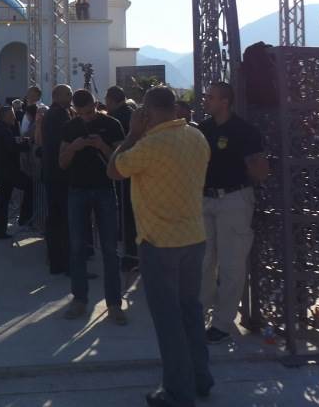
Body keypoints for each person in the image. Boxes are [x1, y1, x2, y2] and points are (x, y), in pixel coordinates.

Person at [108, 87, 213, 407]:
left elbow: (113, 169)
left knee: (168, 320)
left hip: (159, 243)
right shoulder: (197, 137)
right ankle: (201, 378)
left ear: (149, 112)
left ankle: (177, 391)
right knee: (191, 312)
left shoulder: (150, 144)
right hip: (194, 237)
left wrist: (131, 134)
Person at [198, 81, 268, 344]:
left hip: (234, 199)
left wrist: (243, 177)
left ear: (224, 101)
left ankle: (223, 322)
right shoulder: (202, 129)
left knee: (231, 264)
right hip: (205, 198)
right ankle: (201, 312)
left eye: (210, 96)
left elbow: (260, 170)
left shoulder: (245, 131)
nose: (205, 100)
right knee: (203, 261)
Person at [58, 89, 127, 323]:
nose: (86, 118)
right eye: (80, 114)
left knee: (110, 249)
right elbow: (62, 162)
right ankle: (79, 299)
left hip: (105, 190)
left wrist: (102, 146)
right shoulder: (69, 127)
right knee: (77, 247)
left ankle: (115, 303)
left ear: (95, 106)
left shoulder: (113, 124)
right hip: (77, 190)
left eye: (89, 113)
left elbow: (121, 162)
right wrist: (74, 147)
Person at [0, 106, 33, 239]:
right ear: (4, 116)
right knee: (29, 185)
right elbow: (11, 147)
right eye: (11, 115)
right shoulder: (2, 129)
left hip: (2, 169)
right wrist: (26, 145)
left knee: (3, 201)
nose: (14, 117)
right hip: (8, 170)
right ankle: (24, 217)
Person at [106, 86, 139, 271]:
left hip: (126, 170)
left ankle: (130, 256)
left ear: (112, 100)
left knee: (127, 215)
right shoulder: (131, 113)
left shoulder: (118, 117)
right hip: (135, 170)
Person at [41, 84, 73, 273]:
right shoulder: (59, 115)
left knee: (55, 219)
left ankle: (56, 261)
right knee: (62, 220)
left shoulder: (51, 114)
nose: (70, 96)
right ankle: (64, 262)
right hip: (59, 174)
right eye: (67, 94)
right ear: (56, 96)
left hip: (52, 173)